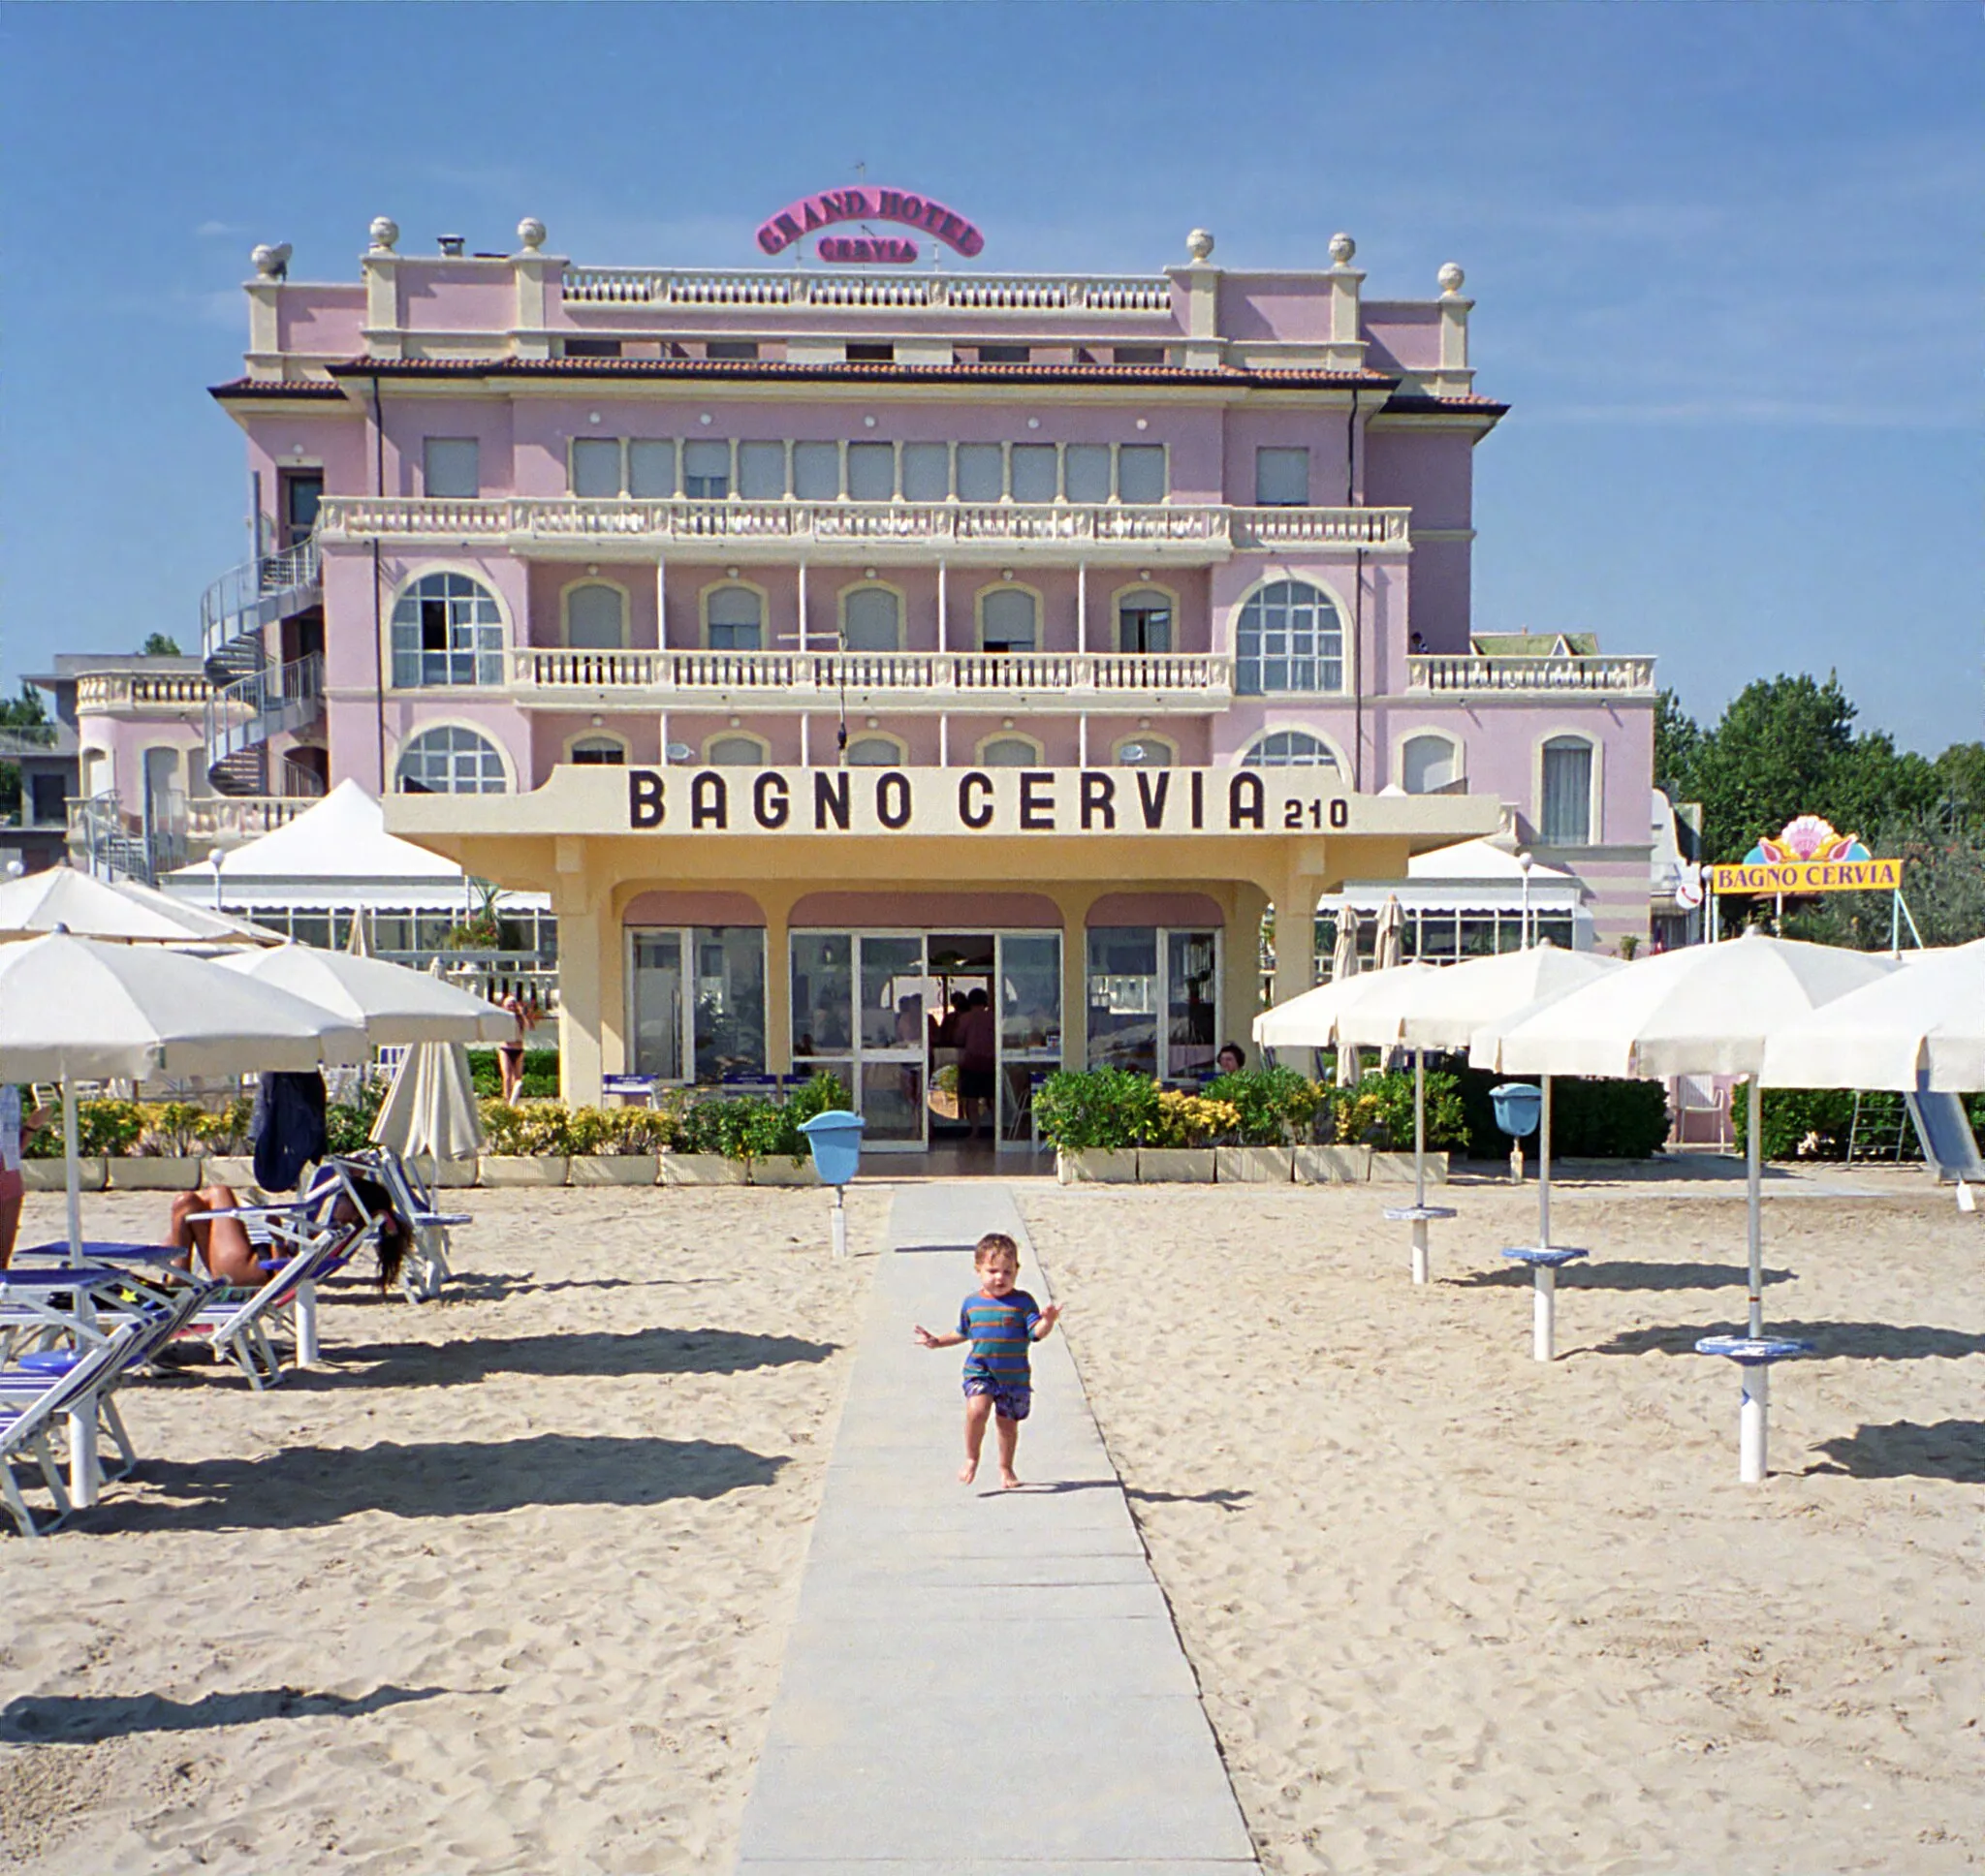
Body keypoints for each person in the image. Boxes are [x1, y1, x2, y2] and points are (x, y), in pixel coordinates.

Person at [913, 1232, 1061, 1489]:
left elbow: (1035, 1334)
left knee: (1007, 1425)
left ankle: (1006, 1468)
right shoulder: (972, 1303)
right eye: (992, 1271)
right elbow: (962, 1332)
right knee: (977, 1410)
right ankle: (972, 1457)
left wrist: (1047, 1322)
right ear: (978, 1270)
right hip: (980, 1371)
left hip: (1014, 1376)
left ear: (1017, 1270)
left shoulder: (1023, 1302)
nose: (1000, 1277)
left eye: (1007, 1271)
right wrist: (937, 1341)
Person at [165, 1170, 409, 1294]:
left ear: (356, 1209)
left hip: (247, 1270)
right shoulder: (340, 1233)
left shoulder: (338, 1235)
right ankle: (177, 1275)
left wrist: (276, 1234)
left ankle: (176, 1276)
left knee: (217, 1191)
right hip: (248, 1266)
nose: (337, 1202)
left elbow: (285, 1267)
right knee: (187, 1205)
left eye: (342, 1197)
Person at [0, 1084, 54, 1269]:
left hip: (10, 1174)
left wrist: (32, 1126)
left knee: (2, 1261)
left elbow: (15, 1145)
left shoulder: (11, 1091)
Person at [957, 987, 998, 1140]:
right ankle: (998, 1131)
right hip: (990, 1062)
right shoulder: (993, 1017)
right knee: (993, 1098)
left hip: (971, 1062)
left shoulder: (965, 1018)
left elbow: (959, 1038)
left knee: (972, 1099)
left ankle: (975, 1131)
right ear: (985, 1001)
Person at [498, 990, 538, 1103]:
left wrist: (523, 1013)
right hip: (506, 1048)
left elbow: (530, 1027)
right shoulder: (502, 1018)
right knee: (507, 1076)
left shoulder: (520, 1018)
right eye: (509, 1005)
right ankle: (507, 1099)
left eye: (513, 1005)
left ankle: (514, 1100)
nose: (511, 1007)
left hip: (518, 1049)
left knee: (517, 1078)